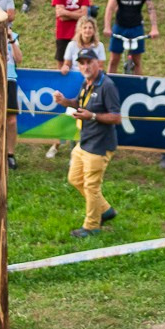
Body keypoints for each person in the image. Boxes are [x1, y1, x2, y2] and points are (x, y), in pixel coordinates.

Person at [53, 49, 122, 238]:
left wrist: (92, 116)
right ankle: (105, 210)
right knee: (75, 179)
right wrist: (65, 102)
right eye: (81, 63)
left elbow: (116, 117)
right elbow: (80, 104)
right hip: (84, 142)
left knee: (91, 187)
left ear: (97, 63)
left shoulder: (107, 86)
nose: (85, 66)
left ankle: (92, 226)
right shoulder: (86, 83)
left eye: (88, 62)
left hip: (100, 145)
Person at [105, 0, 153, 74]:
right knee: (113, 60)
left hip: (136, 27)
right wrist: (107, 27)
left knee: (137, 61)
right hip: (120, 26)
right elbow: (110, 8)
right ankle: (109, 86)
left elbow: (151, 9)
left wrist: (154, 28)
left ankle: (138, 87)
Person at [50, 0, 92, 66]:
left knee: (80, 62)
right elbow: (61, 15)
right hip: (63, 33)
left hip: (78, 34)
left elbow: (84, 15)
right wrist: (77, 13)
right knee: (62, 62)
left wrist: (67, 12)